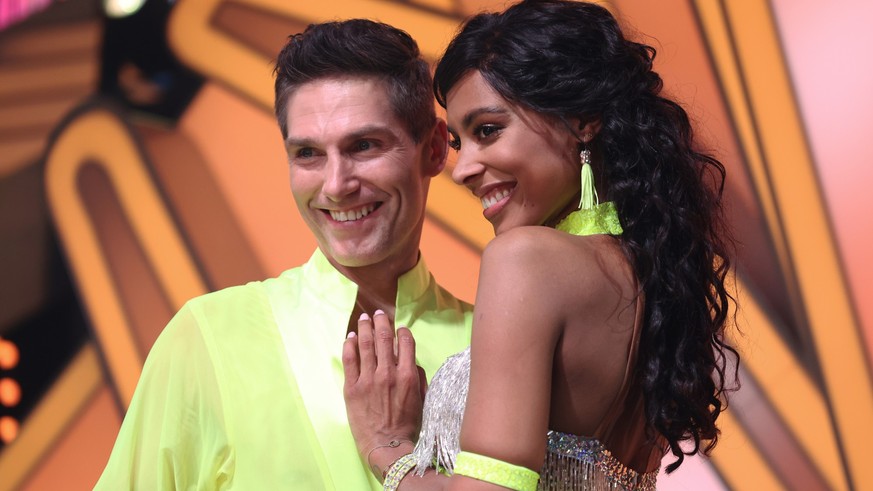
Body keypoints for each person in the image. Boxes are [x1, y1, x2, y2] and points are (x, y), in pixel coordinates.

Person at [342, 1, 738, 489]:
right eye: (462, 143)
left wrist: (387, 445)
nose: (462, 168)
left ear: (582, 119)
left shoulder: (526, 260)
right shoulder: (647, 272)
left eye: (488, 130)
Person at [93, 19, 473, 489]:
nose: (336, 185)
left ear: (434, 150)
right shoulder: (207, 337)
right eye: (309, 154)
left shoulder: (494, 346)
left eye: (364, 145)